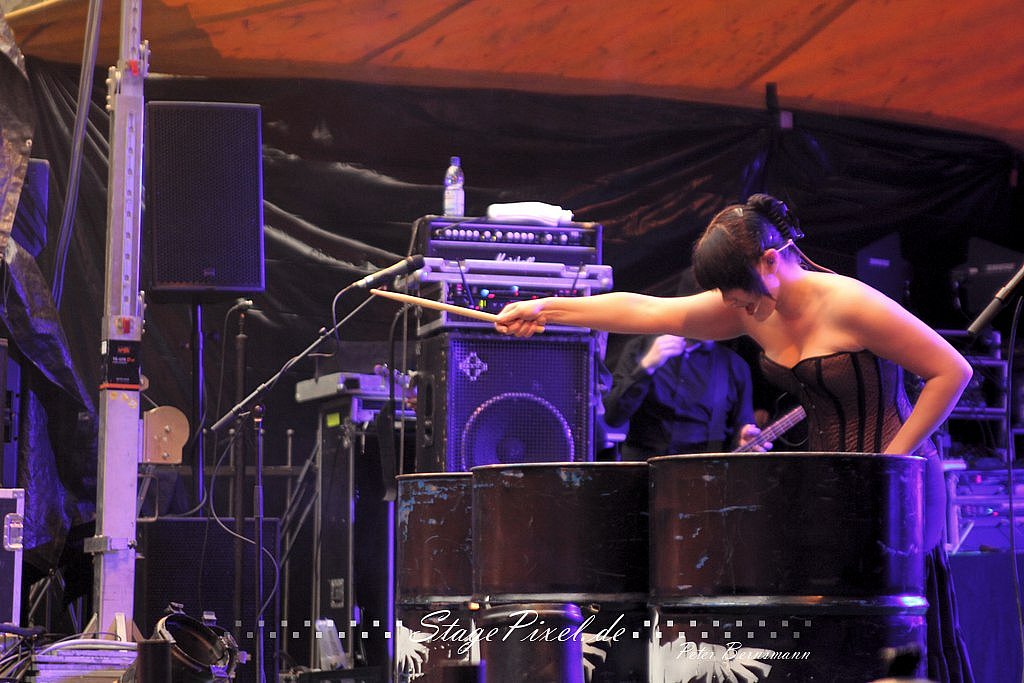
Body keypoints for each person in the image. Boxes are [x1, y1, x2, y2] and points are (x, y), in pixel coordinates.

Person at [494, 193, 974, 682]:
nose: (730, 303)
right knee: (835, 630)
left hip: (899, 482)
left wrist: (888, 467)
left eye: (736, 290)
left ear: (770, 260)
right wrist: (545, 308)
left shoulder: (851, 304)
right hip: (830, 489)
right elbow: (646, 310)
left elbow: (951, 371)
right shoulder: (751, 306)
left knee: (895, 628)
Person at [604, 333, 761, 458]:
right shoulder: (640, 348)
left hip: (702, 473)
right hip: (643, 470)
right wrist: (646, 367)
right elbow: (612, 417)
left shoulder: (734, 365)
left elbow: (742, 428)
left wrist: (743, 439)